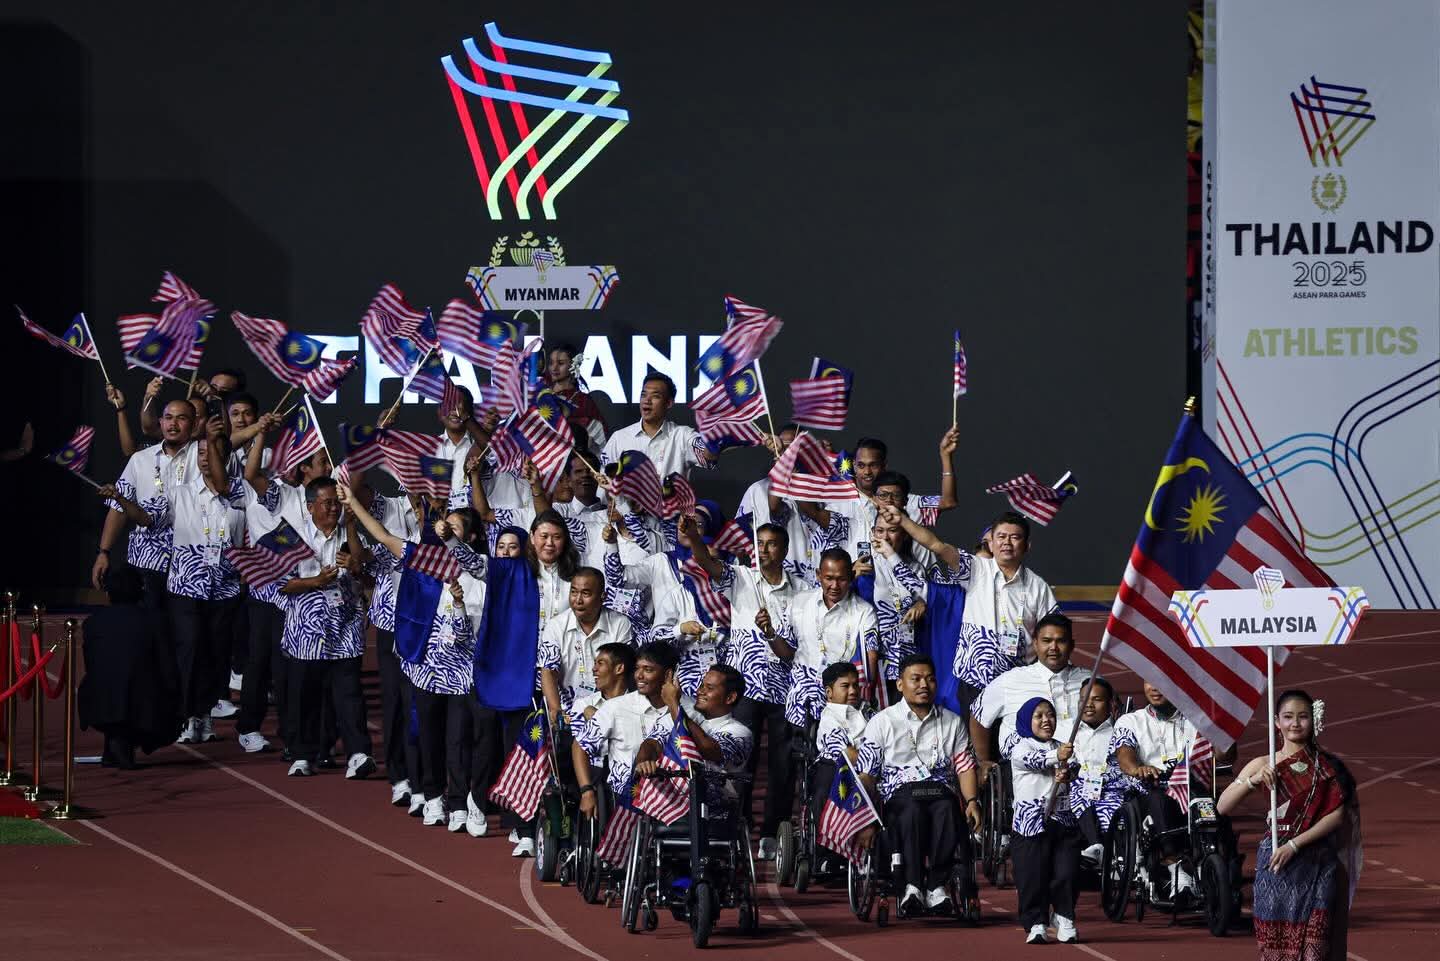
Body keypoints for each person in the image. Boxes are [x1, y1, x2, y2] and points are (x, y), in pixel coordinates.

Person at [100, 416, 243, 744]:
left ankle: (205, 712)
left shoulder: (240, 494)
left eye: (212, 453)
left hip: (225, 587)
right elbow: (147, 518)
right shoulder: (179, 493)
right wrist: (122, 500)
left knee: (216, 653)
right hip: (186, 586)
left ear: (225, 459)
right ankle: (188, 714)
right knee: (189, 648)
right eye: (201, 453)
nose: (204, 458)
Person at [687, 521, 803, 857]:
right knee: (740, 761)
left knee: (782, 765)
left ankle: (771, 834)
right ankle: (738, 825)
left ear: (784, 550)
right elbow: (706, 562)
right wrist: (693, 536)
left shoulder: (802, 590)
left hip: (784, 688)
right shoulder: (741, 578)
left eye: (771, 544)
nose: (763, 550)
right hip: (745, 686)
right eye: (760, 544)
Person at [1218, 690, 1360, 961]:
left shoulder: (1327, 767)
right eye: (1288, 717)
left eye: (1303, 717)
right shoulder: (1263, 763)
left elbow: (1337, 816)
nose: (1295, 723)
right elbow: (1223, 806)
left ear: (1314, 720)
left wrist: (1294, 845)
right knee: (1276, 948)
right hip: (1275, 865)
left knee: (1315, 949)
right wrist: (1254, 781)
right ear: (1276, 721)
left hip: (1317, 865)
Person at [885, 505, 1058, 708]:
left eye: (1015, 537)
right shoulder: (976, 569)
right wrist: (902, 520)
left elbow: (1054, 633)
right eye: (1001, 536)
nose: (1007, 542)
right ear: (991, 543)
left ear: (1027, 545)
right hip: (972, 680)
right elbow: (936, 545)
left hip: (1015, 682)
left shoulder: (1039, 588)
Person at [856, 654, 981, 918]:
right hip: (898, 795)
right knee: (911, 810)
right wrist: (864, 815)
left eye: (930, 679)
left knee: (948, 809)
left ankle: (936, 887)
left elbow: (964, 765)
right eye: (916, 679)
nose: (924, 684)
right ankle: (911, 886)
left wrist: (972, 801)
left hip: (940, 792)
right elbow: (868, 773)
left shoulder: (952, 721)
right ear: (900, 684)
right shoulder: (883, 721)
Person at [270, 477, 374, 779]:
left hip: (345, 631)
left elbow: (367, 574)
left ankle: (358, 754)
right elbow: (279, 583)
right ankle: (303, 755)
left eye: (336, 503)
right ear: (310, 506)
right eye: (326, 503)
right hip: (306, 634)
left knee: (350, 696)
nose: (333, 509)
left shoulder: (350, 535)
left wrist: (354, 557)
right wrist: (315, 582)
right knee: (305, 697)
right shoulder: (290, 536)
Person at [94, 398, 200, 607]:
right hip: (146, 561)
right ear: (160, 422)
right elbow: (119, 508)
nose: (173, 424)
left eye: (181, 418)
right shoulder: (140, 459)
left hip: (190, 562)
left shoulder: (203, 456)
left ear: (194, 424)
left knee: (185, 624)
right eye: (168, 418)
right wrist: (103, 552)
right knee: (149, 621)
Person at [1111, 681, 1212, 896]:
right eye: (1149, 680)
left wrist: (1224, 736)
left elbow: (1225, 755)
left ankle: (1210, 862)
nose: (1155, 687)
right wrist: (1138, 768)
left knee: (1209, 803)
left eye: (1162, 681)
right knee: (1159, 800)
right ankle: (1175, 868)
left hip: (1190, 789)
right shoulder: (1131, 721)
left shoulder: (1197, 720)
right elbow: (1125, 755)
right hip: (1150, 792)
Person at [761, 548, 879, 731]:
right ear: (818, 575)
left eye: (841, 579)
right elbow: (786, 654)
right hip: (801, 706)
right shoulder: (799, 602)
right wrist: (770, 633)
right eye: (829, 578)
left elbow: (870, 660)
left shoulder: (864, 611)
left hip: (842, 710)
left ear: (851, 576)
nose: (834, 585)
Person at [793, 432, 958, 561]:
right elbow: (812, 511)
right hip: (860, 585)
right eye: (861, 465)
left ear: (884, 465)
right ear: (853, 466)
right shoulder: (839, 504)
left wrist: (945, 456)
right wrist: (800, 463)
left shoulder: (904, 500)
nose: (867, 472)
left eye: (873, 465)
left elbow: (948, 502)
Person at [78, 565, 181, 768]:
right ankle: (124, 742)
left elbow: (92, 664)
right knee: (144, 685)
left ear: (108, 594)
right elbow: (168, 667)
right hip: (140, 703)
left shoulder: (92, 623)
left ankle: (115, 740)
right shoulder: (156, 621)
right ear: (141, 591)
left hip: (98, 701)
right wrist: (177, 702)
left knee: (114, 680)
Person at [969, 613, 1090, 786]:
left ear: (1072, 645)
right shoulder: (1011, 680)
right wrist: (983, 761)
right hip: (1027, 776)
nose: (1053, 647)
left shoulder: (1090, 682)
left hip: (1083, 771)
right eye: (1046, 641)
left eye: (1061, 641)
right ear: (1035, 644)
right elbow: (978, 715)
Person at [573, 642, 681, 835]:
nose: (639, 675)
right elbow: (580, 746)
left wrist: (674, 705)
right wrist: (586, 791)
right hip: (623, 799)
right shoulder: (615, 707)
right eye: (638, 668)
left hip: (675, 798)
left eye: (648, 670)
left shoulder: (687, 709)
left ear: (668, 675)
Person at [634, 664, 754, 826]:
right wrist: (644, 762)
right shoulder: (681, 717)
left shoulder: (740, 732)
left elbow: (709, 749)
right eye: (701, 685)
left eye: (709, 688)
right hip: (670, 808)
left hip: (717, 816)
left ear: (730, 698)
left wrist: (674, 704)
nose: (700, 691)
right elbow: (651, 744)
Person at [1008, 697, 1081, 944]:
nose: (1046, 720)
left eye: (1050, 714)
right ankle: (1036, 922)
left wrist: (1066, 772)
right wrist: (1058, 756)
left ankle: (1064, 917)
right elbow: (1034, 761)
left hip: (1062, 820)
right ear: (1027, 720)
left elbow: (1074, 768)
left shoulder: (1063, 747)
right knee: (1033, 876)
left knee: (1067, 871)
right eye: (1038, 716)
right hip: (1030, 825)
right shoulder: (1020, 747)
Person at [538, 566, 635, 727]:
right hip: (568, 716)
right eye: (574, 592)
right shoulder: (555, 626)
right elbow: (548, 671)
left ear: (602, 597)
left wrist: (605, 715)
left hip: (611, 714)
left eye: (586, 593)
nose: (578, 600)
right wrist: (555, 709)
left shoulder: (620, 624)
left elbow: (622, 674)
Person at [601, 373, 714, 480]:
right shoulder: (619, 438)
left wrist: (713, 432)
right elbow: (604, 480)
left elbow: (708, 457)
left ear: (669, 403)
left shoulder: (682, 435)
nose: (647, 400)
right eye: (643, 395)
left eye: (655, 396)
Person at [1067, 677, 1124, 866]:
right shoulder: (1067, 732)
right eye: (1083, 699)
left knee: (1112, 811)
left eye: (1096, 699)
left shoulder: (1120, 731)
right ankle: (1096, 846)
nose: (1089, 705)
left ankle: (1119, 859)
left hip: (1111, 789)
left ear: (1110, 703)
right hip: (1079, 788)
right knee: (1078, 789)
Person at [544, 341, 608, 455]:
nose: (554, 368)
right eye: (551, 362)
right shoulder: (541, 395)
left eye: (560, 363)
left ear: (573, 365)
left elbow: (600, 440)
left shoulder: (583, 401)